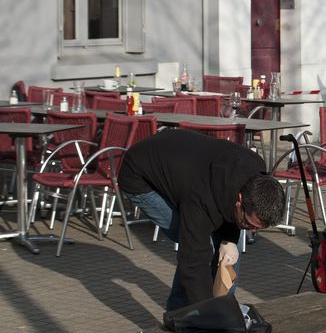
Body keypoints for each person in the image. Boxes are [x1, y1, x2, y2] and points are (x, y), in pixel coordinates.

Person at [118, 129, 286, 311]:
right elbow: (192, 260)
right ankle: (180, 313)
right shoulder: (202, 201)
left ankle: (222, 308)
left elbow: (230, 210)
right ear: (239, 201)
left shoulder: (256, 171)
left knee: (229, 250)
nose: (251, 231)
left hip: (180, 159)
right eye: (249, 224)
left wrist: (230, 238)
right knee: (197, 244)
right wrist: (208, 315)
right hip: (138, 175)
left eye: (257, 229)